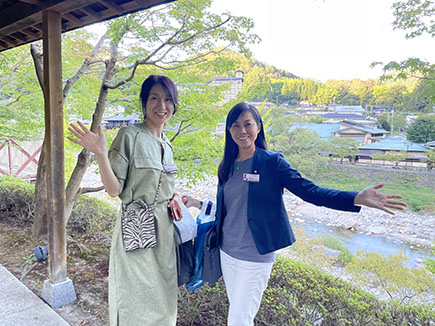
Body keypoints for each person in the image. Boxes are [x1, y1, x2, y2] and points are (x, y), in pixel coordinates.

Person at [182, 102, 407, 326]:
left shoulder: (272, 162)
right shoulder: (227, 165)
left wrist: (355, 197)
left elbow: (311, 191)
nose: (242, 131)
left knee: (239, 320)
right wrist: (198, 203)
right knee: (240, 315)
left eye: (247, 124)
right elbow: (229, 208)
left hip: (256, 256)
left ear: (258, 127)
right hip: (227, 253)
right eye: (235, 125)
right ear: (229, 130)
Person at [68, 75, 183, 326]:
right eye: (154, 98)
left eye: (167, 99)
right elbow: (114, 189)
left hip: (165, 230)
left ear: (174, 105)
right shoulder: (129, 136)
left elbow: (162, 185)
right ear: (144, 102)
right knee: (134, 297)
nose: (161, 105)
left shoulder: (167, 145)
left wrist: (173, 198)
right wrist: (100, 154)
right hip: (137, 223)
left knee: (164, 297)